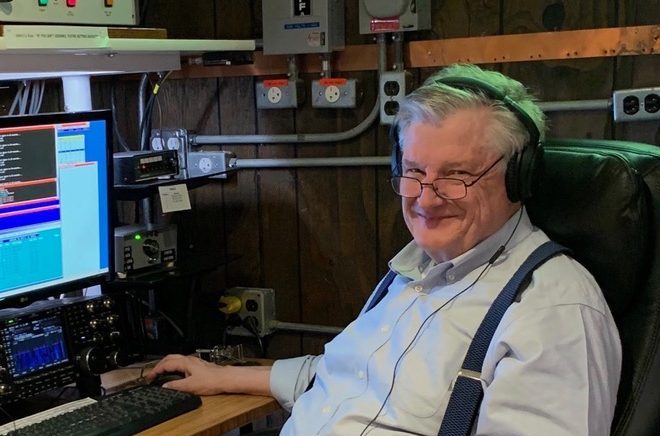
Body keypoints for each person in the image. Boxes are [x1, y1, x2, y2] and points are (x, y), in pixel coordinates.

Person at [148, 64, 621, 435]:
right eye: (414, 171)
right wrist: (222, 376)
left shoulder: (552, 313)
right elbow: (352, 375)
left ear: (519, 177)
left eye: (456, 176)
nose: (426, 200)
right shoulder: (416, 269)